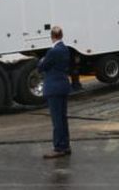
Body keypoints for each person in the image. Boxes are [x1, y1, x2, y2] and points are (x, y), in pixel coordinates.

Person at [38, 26, 71, 158]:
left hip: (53, 88)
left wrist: (41, 61)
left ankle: (58, 148)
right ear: (61, 35)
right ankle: (66, 145)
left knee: (56, 119)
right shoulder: (65, 49)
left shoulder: (52, 52)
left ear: (52, 36)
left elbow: (41, 67)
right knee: (63, 118)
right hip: (63, 86)